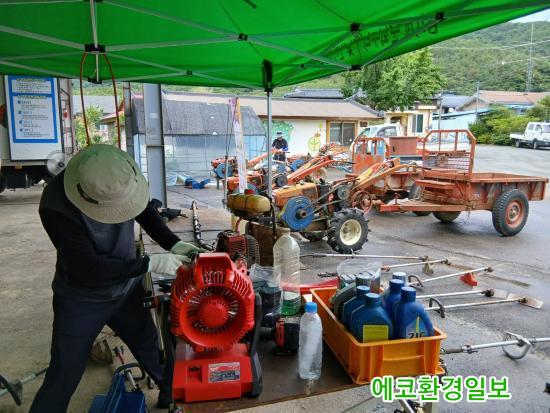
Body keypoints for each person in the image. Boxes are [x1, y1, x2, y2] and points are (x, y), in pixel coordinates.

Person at [30, 144, 201, 412]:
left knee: (153, 352)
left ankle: (171, 398)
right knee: (64, 372)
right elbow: (87, 268)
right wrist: (149, 263)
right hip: (81, 298)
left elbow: (145, 212)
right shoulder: (55, 205)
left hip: (127, 288)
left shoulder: (119, 176)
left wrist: (173, 243)